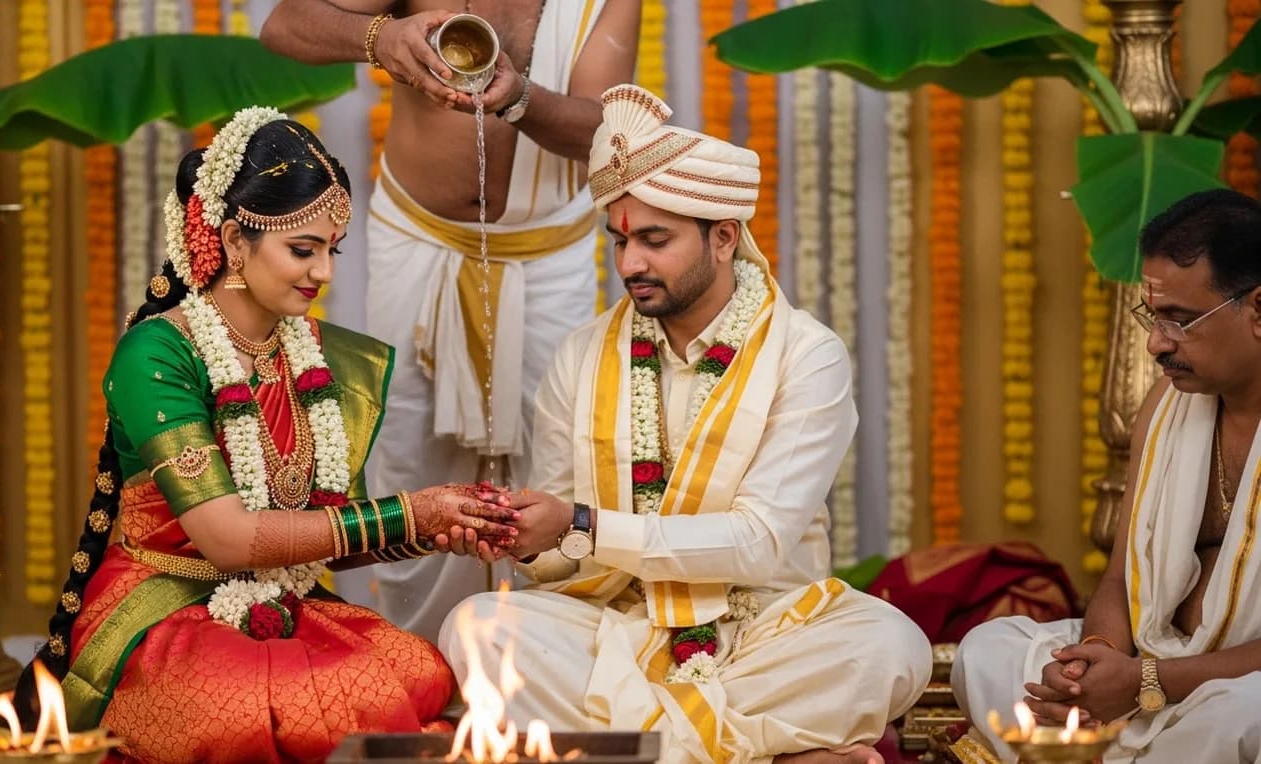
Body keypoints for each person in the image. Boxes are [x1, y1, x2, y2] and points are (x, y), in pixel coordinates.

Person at [438, 85, 932, 764]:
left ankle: (638, 748)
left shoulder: (806, 355)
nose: (629, 264)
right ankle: (776, 753)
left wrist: (581, 524)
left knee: (887, 646)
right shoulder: (583, 355)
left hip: (764, 627)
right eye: (620, 241)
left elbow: (757, 544)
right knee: (477, 628)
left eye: (654, 240)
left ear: (724, 237)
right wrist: (524, 539)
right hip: (618, 624)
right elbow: (555, 562)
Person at [11, 109, 518, 764]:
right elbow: (228, 540)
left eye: (332, 250)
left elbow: (325, 536)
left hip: (285, 594)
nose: (324, 274)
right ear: (233, 239)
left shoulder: (319, 356)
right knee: (245, 716)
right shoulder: (159, 354)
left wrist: (431, 528)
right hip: (163, 600)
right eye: (302, 250)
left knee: (418, 673)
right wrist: (404, 515)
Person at [260, 0, 641, 639]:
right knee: (408, 460)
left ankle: (538, 668)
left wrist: (518, 97)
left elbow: (605, 131)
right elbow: (283, 26)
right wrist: (380, 38)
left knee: (555, 463)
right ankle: (420, 669)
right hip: (419, 239)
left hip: (548, 252)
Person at [952, 189, 1261, 763]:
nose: (1156, 343)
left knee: (1244, 719)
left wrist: (1150, 680)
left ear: (1259, 310)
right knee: (988, 651)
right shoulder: (1165, 407)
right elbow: (1119, 578)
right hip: (1143, 664)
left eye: (1181, 321)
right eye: (1154, 316)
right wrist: (1092, 664)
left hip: (1227, 685)